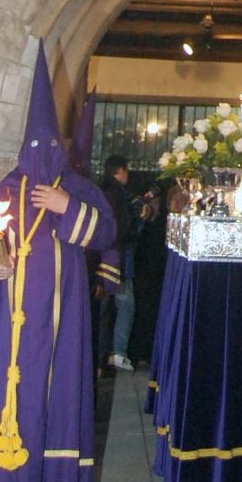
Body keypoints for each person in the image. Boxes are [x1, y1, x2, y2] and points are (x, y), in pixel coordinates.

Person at [0, 42, 116, 482]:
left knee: (57, 399)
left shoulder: (79, 190)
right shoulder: (0, 193)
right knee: (2, 402)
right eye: (35, 147)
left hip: (61, 323)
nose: (43, 155)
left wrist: (68, 209)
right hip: (6, 327)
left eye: (51, 147)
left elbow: (106, 233)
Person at [99, 154, 146, 372]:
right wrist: (139, 221)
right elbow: (124, 229)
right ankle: (118, 352)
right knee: (125, 303)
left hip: (103, 256)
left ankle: (104, 353)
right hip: (119, 257)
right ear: (120, 171)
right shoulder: (119, 195)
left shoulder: (101, 191)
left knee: (107, 306)